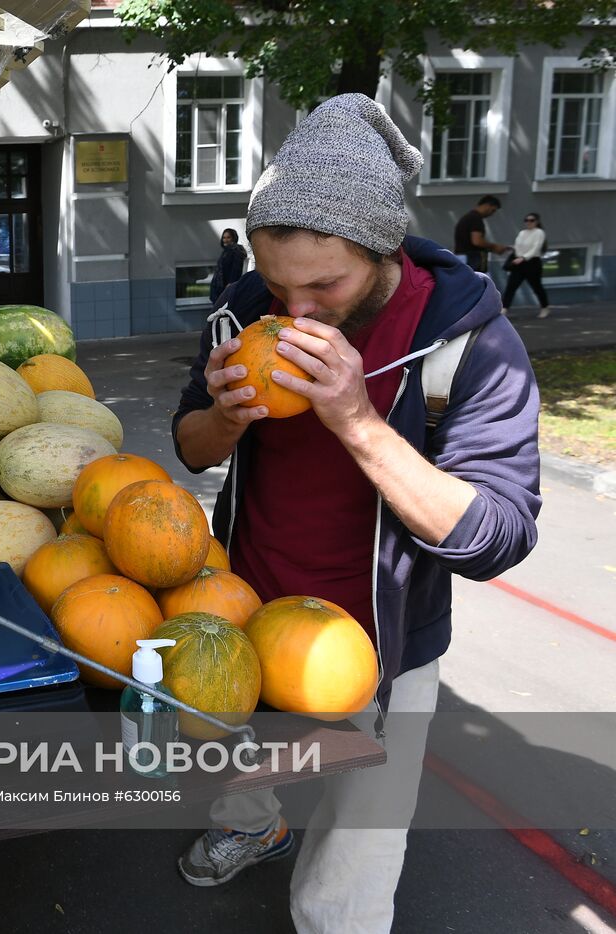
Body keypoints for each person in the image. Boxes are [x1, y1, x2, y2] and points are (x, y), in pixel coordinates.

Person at [172, 94, 540, 933]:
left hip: (387, 634)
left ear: (381, 250)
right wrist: (226, 416)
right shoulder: (240, 311)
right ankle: (251, 825)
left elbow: (496, 535)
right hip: (248, 605)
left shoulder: (469, 342)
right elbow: (192, 447)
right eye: (277, 285)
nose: (296, 314)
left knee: (358, 853)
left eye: (324, 285)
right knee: (236, 765)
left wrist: (356, 420)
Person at [502, 211, 551, 318]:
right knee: (511, 286)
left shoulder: (539, 232)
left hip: (532, 263)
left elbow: (536, 248)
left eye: (531, 220)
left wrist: (524, 257)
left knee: (536, 287)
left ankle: (545, 307)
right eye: (526, 220)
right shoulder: (522, 233)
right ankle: (504, 309)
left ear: (537, 222)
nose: (529, 222)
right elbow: (518, 246)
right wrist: (513, 250)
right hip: (518, 263)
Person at [452, 194, 508, 271]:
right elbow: (477, 241)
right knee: (478, 281)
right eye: (493, 210)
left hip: (462, 257)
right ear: (487, 205)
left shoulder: (468, 217)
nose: (492, 214)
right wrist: (494, 247)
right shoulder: (475, 218)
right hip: (472, 259)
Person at [209, 228, 248, 304]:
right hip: (221, 288)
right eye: (224, 237)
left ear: (234, 238)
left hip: (226, 288)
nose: (225, 240)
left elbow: (236, 268)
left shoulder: (235, 250)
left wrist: (230, 284)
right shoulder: (227, 251)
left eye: (228, 237)